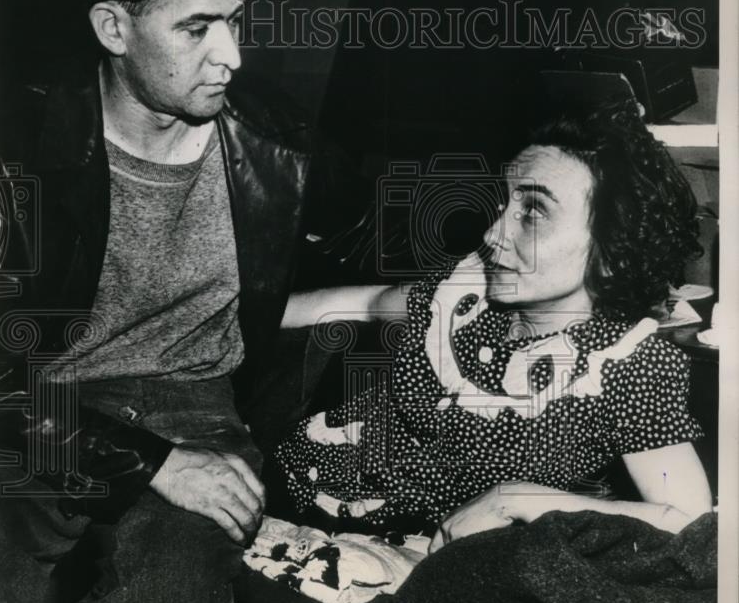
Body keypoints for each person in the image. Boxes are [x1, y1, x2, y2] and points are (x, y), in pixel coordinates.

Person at [0, 0, 366, 603]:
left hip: (192, 400)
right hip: (36, 403)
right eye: (197, 28)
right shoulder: (12, 151)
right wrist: (149, 464)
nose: (233, 55)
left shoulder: (275, 144)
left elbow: (377, 236)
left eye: (236, 19)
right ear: (114, 28)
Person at [275, 100, 714, 545]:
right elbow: (360, 303)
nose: (492, 233)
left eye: (534, 212)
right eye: (505, 203)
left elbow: (688, 522)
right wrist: (223, 318)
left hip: (397, 558)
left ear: (613, 251)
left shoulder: (625, 365)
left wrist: (515, 498)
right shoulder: (467, 296)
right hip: (285, 494)